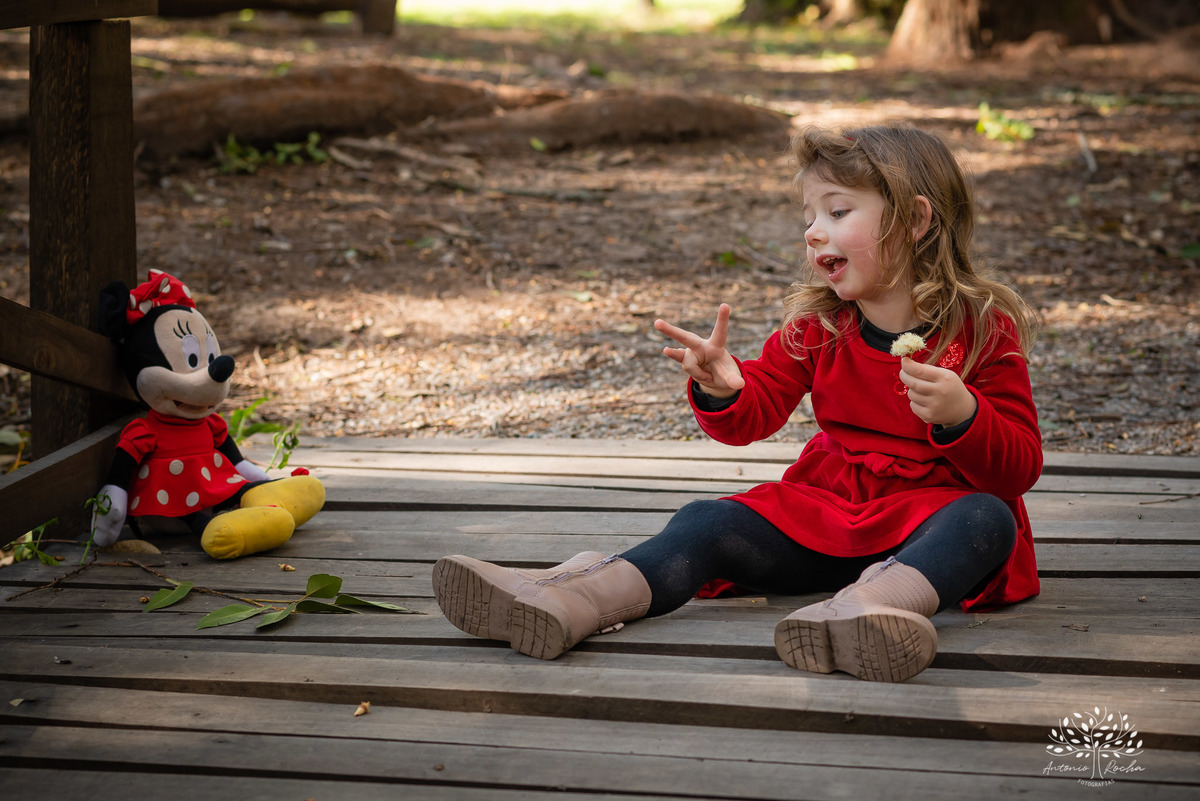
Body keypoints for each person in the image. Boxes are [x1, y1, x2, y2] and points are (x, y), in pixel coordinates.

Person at [431, 123, 1042, 682]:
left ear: (914, 221)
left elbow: (1019, 467)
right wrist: (725, 387)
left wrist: (965, 417)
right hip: (833, 511)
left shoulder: (982, 329)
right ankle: (571, 597)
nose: (813, 231)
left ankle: (869, 611)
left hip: (931, 525)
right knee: (709, 520)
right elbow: (757, 413)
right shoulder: (819, 326)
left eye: (837, 211)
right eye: (808, 216)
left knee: (985, 519)